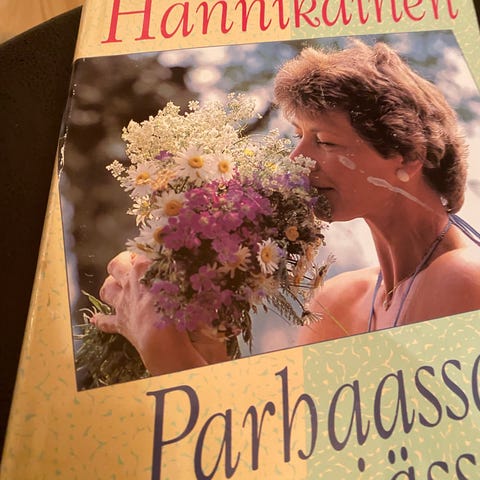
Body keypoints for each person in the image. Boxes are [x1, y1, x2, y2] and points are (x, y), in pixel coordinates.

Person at [91, 39, 480, 375]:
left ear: (408, 157)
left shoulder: (462, 278)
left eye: (325, 141)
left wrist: (158, 343)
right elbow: (290, 427)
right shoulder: (338, 300)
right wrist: (201, 338)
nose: (298, 159)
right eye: (298, 136)